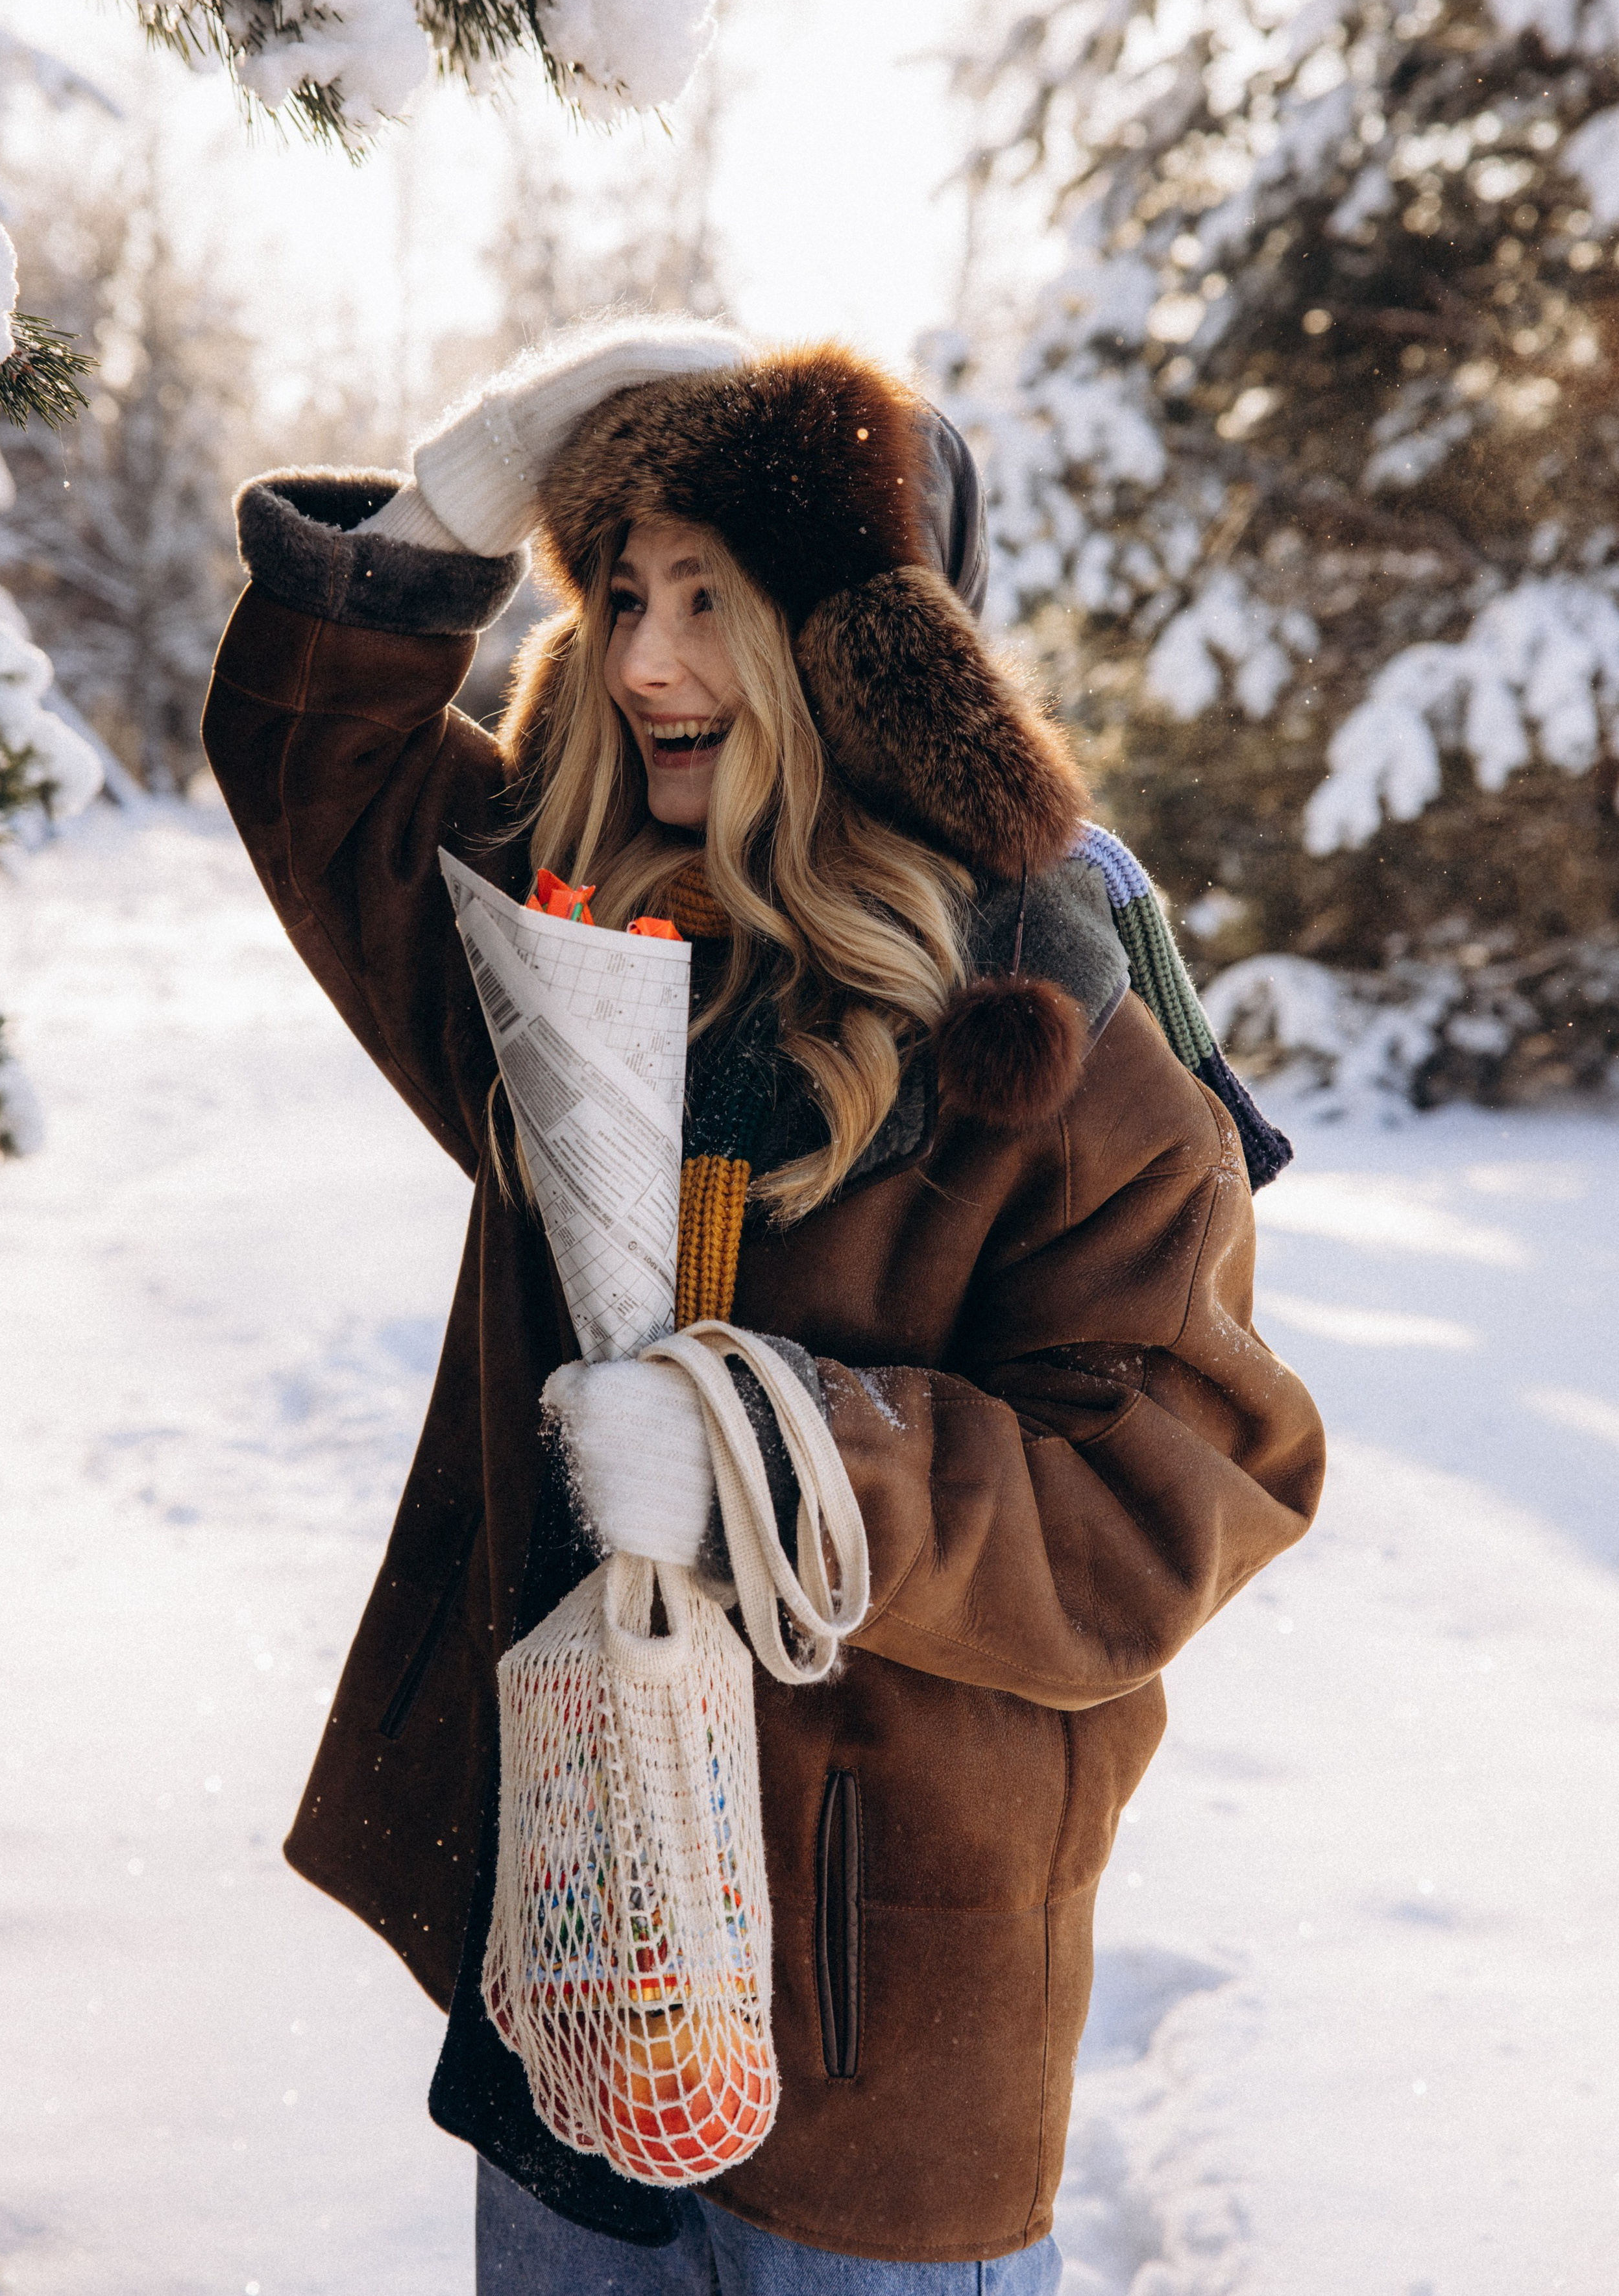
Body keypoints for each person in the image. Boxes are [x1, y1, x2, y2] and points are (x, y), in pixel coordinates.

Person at [203, 320, 1324, 2296]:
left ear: (853, 644)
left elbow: (1179, 1486)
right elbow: (317, 759)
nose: (642, 661)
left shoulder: (1058, 1022)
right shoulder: (563, 937)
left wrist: (781, 1463)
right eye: (621, 593)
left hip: (876, 2060)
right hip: (570, 1978)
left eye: (709, 598)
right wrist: (466, 490)